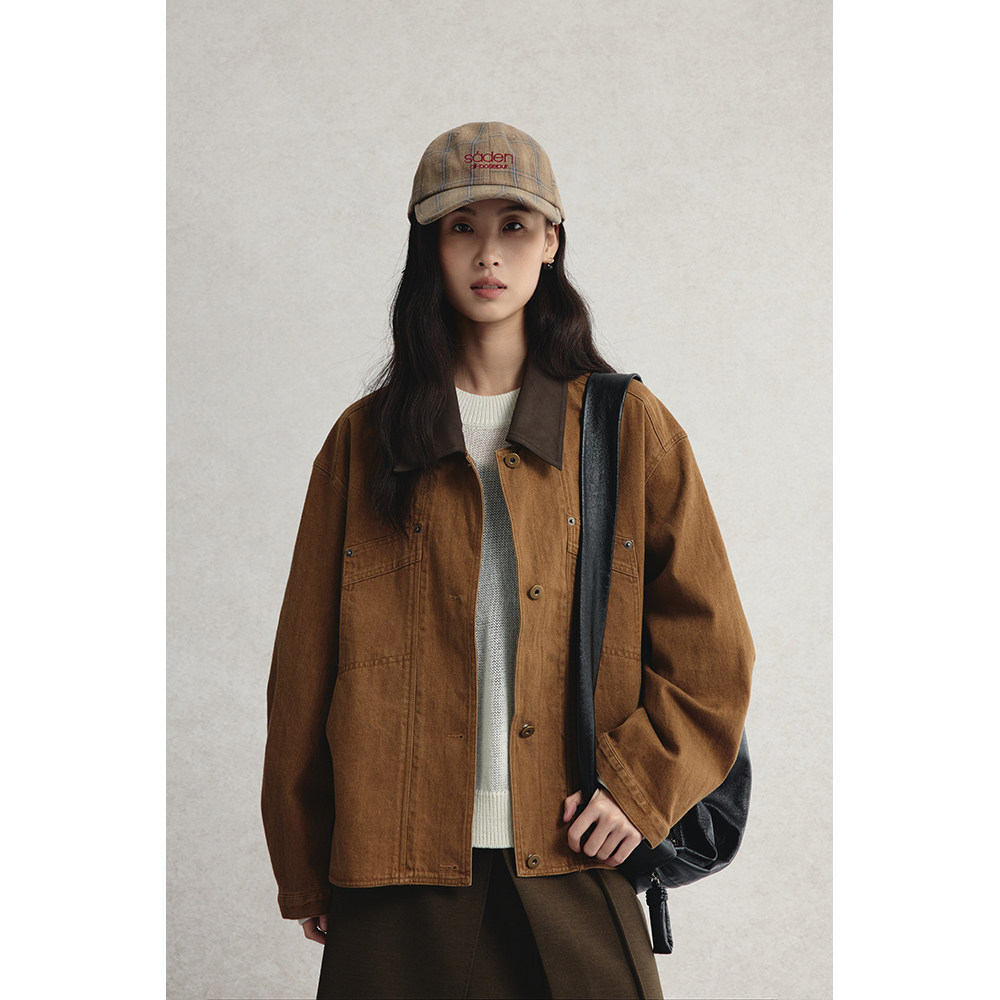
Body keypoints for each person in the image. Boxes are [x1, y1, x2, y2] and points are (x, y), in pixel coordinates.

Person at [261, 121, 754, 1000]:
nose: (489, 253)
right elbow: (303, 668)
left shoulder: (626, 430)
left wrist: (639, 790)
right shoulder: (363, 443)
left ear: (551, 242)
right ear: (429, 246)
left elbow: (713, 652)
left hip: (574, 858)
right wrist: (304, 862)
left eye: (515, 226)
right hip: (393, 867)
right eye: (462, 227)